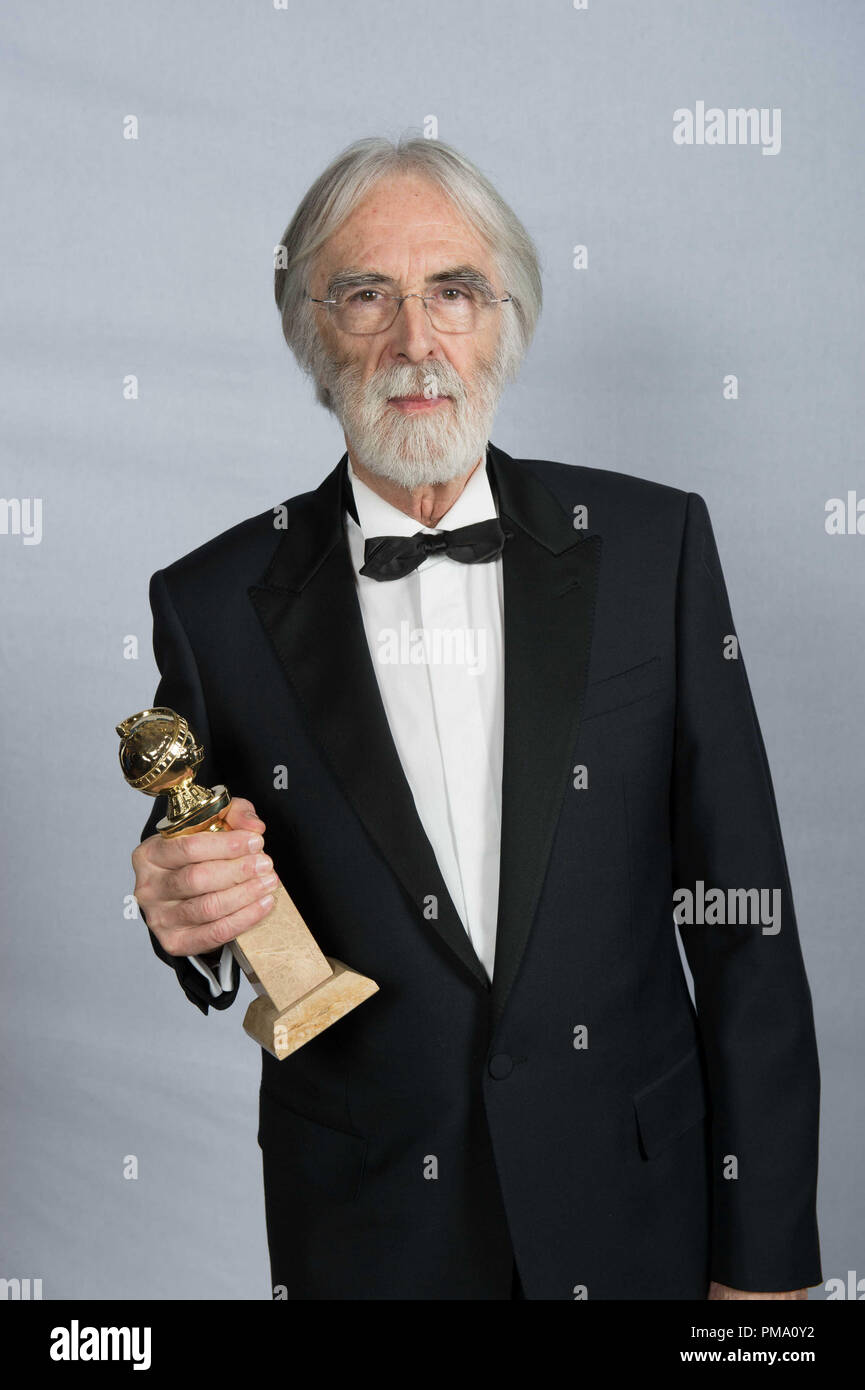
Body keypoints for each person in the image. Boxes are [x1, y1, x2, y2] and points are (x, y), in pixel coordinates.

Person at [130, 135, 821, 1300]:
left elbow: (746, 929)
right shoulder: (210, 602)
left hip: (638, 1213)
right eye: (367, 294)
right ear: (312, 330)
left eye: (453, 290)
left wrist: (764, 1274)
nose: (416, 340)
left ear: (505, 318)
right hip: (367, 1233)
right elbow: (199, 856)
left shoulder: (654, 550)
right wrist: (173, 908)